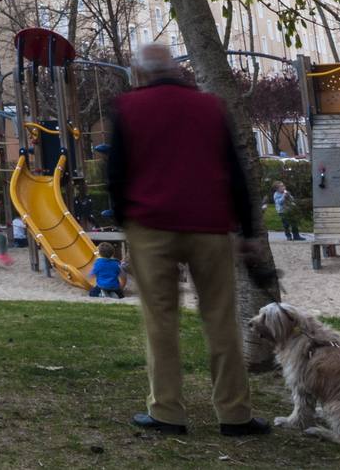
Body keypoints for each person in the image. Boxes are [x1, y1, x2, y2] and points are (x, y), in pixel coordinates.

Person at [105, 43, 269, 438]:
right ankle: (234, 413)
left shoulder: (126, 108)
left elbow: (116, 171)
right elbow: (235, 169)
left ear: (140, 73)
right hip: (209, 226)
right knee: (221, 320)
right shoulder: (211, 107)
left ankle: (167, 411)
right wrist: (247, 232)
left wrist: (126, 218)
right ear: (177, 71)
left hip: (151, 225)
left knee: (160, 322)